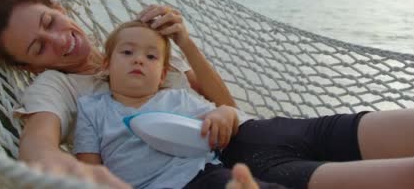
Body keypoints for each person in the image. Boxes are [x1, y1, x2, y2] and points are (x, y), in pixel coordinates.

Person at [0, 0, 414, 189]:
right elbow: (39, 146)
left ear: (58, 6)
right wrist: (63, 169)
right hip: (223, 175)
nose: (58, 43)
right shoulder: (53, 90)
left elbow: (225, 105)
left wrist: (183, 41)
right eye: (37, 48)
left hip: (260, 134)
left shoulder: (137, 44)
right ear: (29, 67)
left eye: (50, 23)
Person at [73, 20, 283, 188]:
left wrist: (225, 113)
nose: (138, 60)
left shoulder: (177, 98)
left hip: (201, 175)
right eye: (127, 52)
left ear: (163, 75)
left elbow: (225, 114)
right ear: (107, 65)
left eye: (151, 56)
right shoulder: (91, 108)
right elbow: (89, 170)